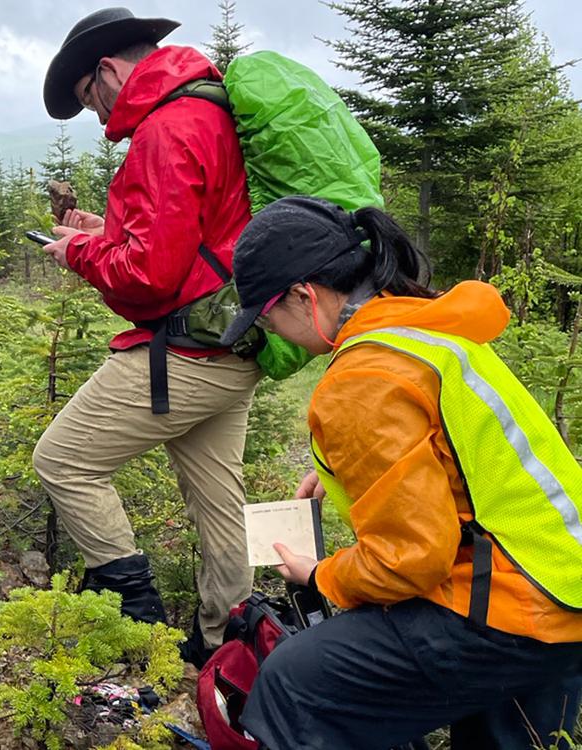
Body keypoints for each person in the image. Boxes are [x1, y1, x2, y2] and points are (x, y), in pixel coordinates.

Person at [217, 195, 582, 749]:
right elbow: (460, 454)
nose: (271, 333)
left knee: (294, 684)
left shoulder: (365, 376)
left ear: (302, 295)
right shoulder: (426, 330)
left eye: (267, 317)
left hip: (512, 612)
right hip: (564, 590)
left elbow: (410, 560)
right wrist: (348, 468)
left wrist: (320, 575)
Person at [33, 7, 262, 667]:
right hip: (235, 340)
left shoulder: (166, 127)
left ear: (107, 71)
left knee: (64, 462)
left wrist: (76, 255)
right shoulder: (206, 107)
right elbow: (192, 238)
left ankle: (141, 627)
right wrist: (99, 232)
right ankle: (225, 646)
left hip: (188, 353)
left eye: (89, 101)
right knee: (221, 505)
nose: (100, 121)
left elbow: (147, 272)